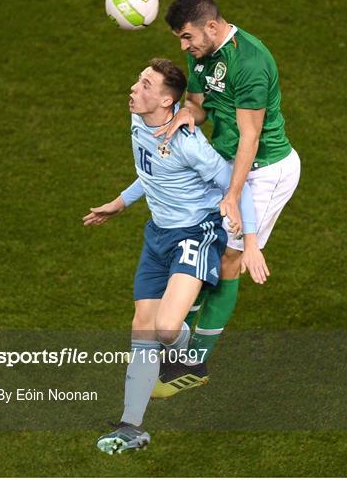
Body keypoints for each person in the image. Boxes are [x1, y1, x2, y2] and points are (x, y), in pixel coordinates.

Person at [83, 58, 267, 454]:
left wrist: (249, 241)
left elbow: (235, 187)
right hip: (157, 237)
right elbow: (152, 171)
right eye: (138, 80)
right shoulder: (138, 121)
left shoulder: (188, 143)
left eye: (146, 85)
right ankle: (131, 426)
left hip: (194, 233)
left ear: (168, 101)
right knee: (142, 328)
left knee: (165, 329)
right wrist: (121, 202)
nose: (135, 88)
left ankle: (190, 358)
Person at [149, 0, 301, 397]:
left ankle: (193, 364)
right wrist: (186, 112)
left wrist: (233, 196)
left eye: (186, 37)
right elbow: (200, 106)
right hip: (228, 161)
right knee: (206, 247)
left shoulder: (250, 61)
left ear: (211, 27)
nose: (184, 47)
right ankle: (177, 341)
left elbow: (250, 138)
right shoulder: (201, 54)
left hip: (264, 170)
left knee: (230, 258)